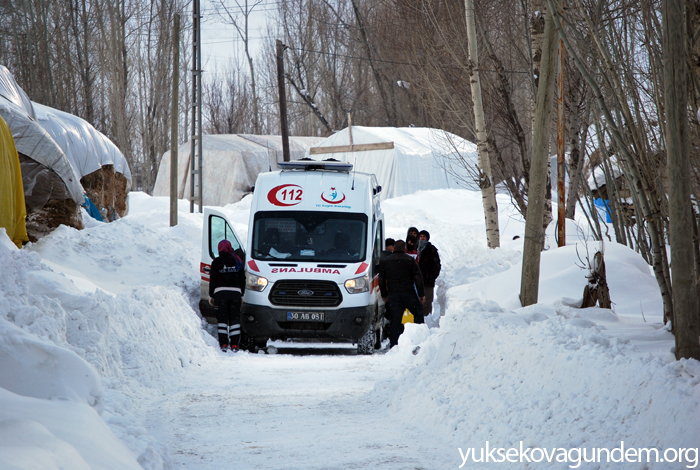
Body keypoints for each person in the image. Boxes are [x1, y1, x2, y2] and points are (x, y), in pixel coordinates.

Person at [378, 239, 425, 348]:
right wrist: (421, 294)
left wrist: (384, 295)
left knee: (395, 320)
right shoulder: (410, 260)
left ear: (394, 248)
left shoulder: (386, 261)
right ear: (404, 248)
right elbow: (418, 278)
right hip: (409, 294)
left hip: (394, 295)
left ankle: (394, 344)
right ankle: (420, 338)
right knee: (418, 312)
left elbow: (381, 279)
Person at [209, 239, 246, 352]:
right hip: (235, 294)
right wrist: (241, 294)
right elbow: (242, 278)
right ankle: (234, 344)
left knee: (222, 319)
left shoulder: (216, 262)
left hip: (220, 295)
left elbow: (213, 279)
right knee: (234, 319)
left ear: (220, 249)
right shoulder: (237, 260)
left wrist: (211, 295)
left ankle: (223, 344)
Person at [417, 230, 441, 317]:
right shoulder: (415, 248)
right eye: (421, 236)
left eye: (424, 237)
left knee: (427, 300)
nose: (422, 238)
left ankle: (427, 318)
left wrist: (432, 276)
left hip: (428, 281)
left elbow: (437, 265)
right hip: (416, 280)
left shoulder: (431, 249)